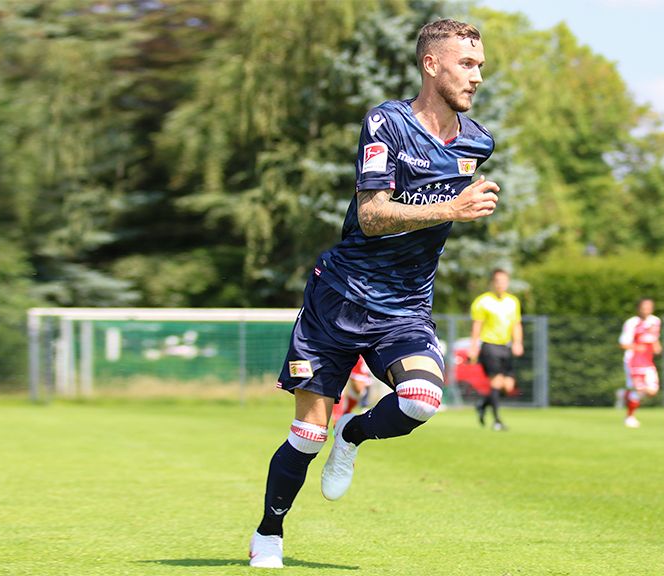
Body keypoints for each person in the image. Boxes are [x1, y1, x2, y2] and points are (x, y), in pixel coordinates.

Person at [248, 19, 498, 569]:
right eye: (466, 63)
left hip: (405, 308)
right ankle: (269, 533)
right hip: (337, 301)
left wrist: (459, 206)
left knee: (421, 401)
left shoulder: (478, 142)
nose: (477, 75)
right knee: (306, 435)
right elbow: (372, 214)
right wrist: (451, 209)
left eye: (480, 65)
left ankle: (354, 434)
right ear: (431, 65)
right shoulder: (386, 122)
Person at [468, 269, 523, 431]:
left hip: (505, 347)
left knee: (508, 386)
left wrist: (518, 342)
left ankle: (482, 404)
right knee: (496, 382)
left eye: (504, 281)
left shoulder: (513, 302)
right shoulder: (482, 301)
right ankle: (497, 421)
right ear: (493, 282)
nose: (501, 284)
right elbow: (476, 326)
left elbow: (516, 324)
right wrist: (473, 347)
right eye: (498, 281)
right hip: (489, 346)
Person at [618, 298, 662, 428]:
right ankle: (630, 418)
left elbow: (654, 338)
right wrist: (637, 347)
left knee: (652, 390)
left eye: (649, 307)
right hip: (634, 361)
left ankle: (624, 394)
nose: (646, 310)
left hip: (648, 361)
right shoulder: (632, 323)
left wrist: (657, 346)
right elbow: (623, 344)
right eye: (644, 307)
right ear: (638, 308)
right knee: (639, 390)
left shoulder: (656, 321)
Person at [330, 357, 375, 425]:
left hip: (358, 356)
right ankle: (337, 419)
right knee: (337, 385)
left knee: (359, 390)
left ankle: (345, 415)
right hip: (341, 353)